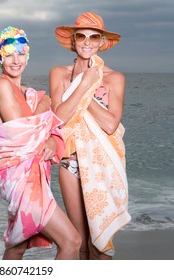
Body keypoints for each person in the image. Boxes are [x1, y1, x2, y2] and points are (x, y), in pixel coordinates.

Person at [0, 26, 81, 260]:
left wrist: (50, 137)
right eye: (8, 54)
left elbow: (47, 129)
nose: (15, 60)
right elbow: (26, 132)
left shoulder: (27, 92)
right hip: (19, 176)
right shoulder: (2, 86)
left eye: (20, 53)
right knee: (72, 241)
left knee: (17, 246)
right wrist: (44, 105)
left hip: (30, 174)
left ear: (27, 56)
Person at [49, 12, 131, 260]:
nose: (87, 42)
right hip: (70, 162)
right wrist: (84, 84)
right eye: (81, 36)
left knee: (100, 245)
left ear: (101, 42)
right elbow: (59, 118)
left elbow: (109, 124)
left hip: (103, 165)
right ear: (73, 41)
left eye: (93, 37)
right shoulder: (59, 74)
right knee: (80, 243)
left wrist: (87, 88)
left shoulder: (115, 78)